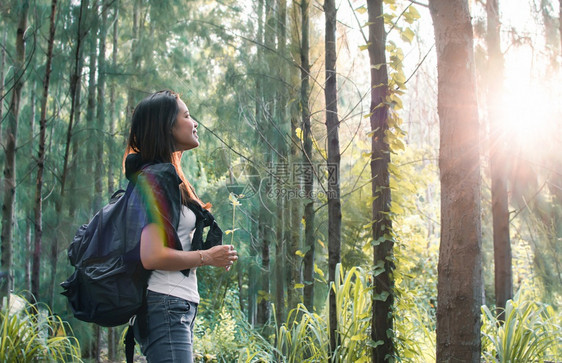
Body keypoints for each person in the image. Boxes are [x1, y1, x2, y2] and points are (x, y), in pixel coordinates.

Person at [123, 90, 238, 362]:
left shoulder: (166, 176)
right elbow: (152, 256)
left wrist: (212, 254)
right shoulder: (155, 178)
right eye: (186, 116)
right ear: (167, 127)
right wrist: (207, 257)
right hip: (165, 304)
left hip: (176, 305)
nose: (194, 122)